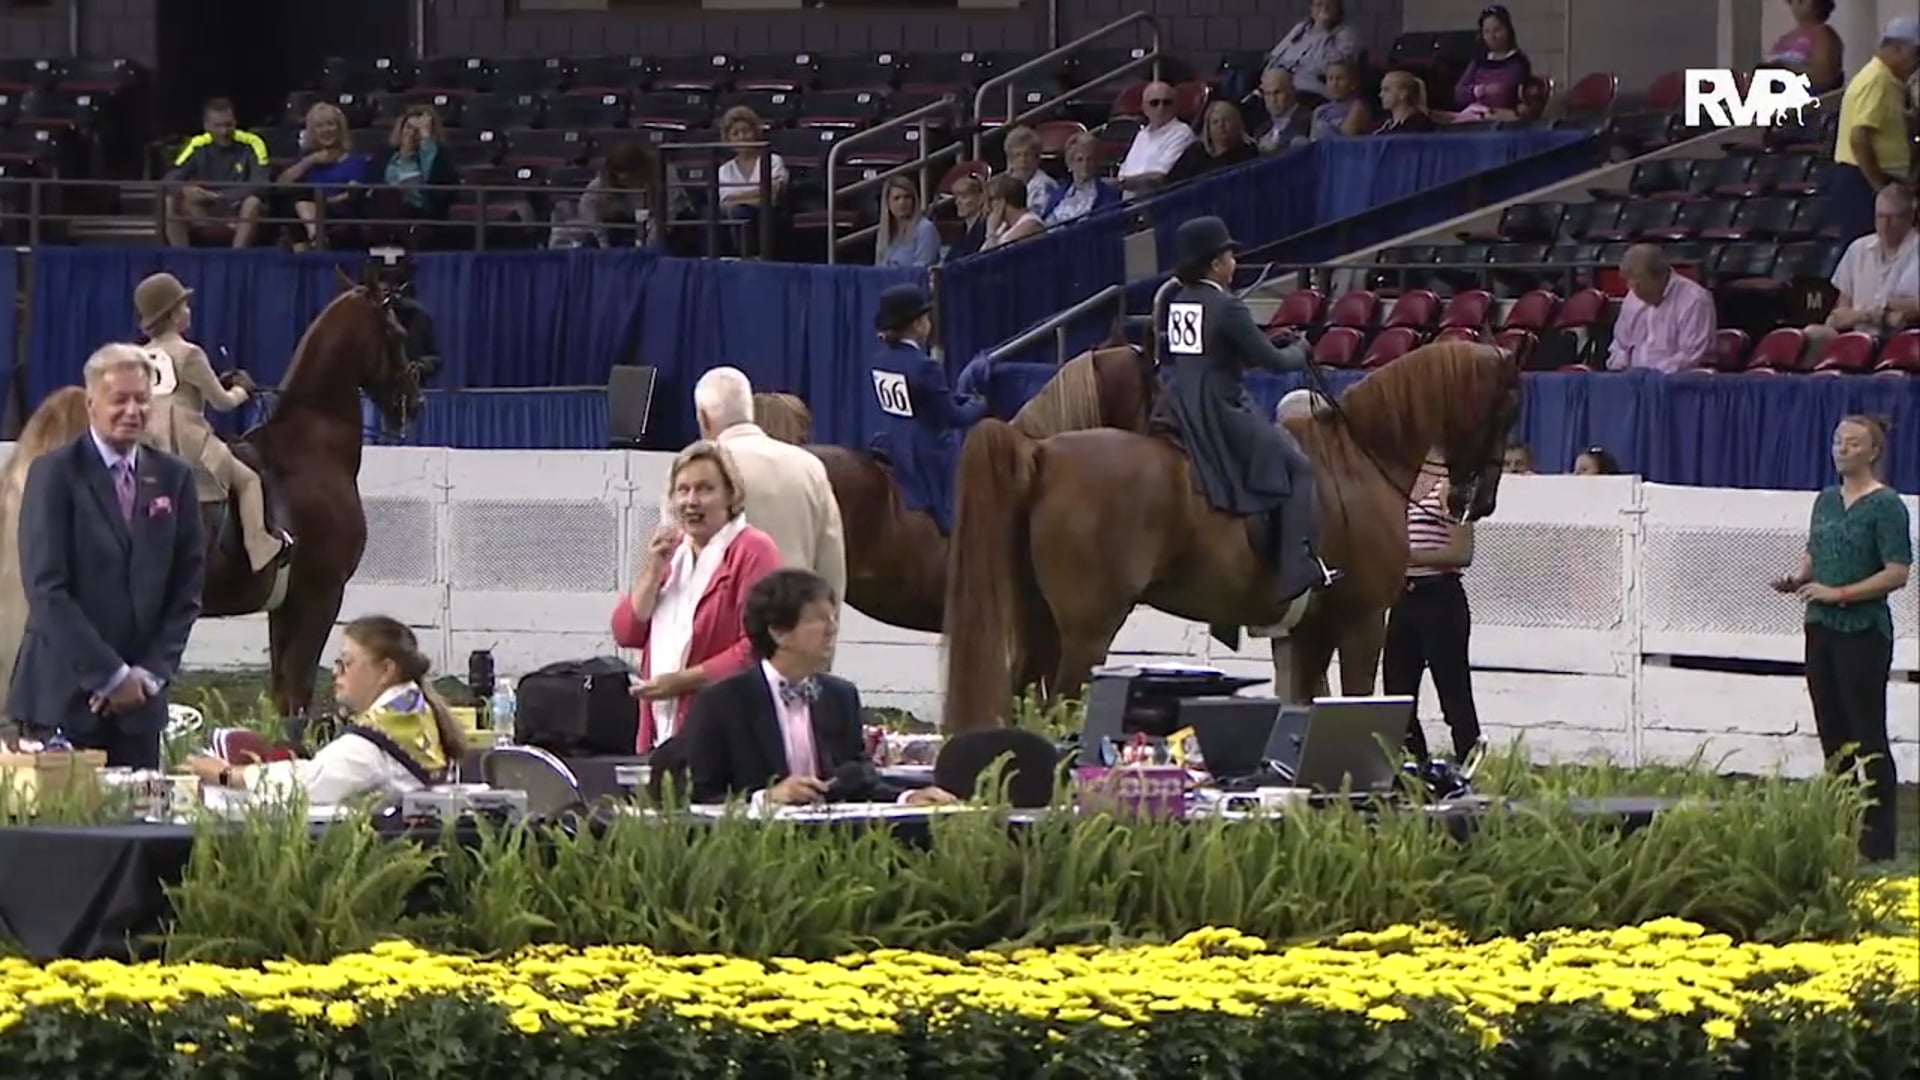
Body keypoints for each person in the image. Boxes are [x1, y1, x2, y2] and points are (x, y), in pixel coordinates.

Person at [6, 344, 205, 767]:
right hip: (62, 702)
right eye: (120, 400)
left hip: (140, 709)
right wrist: (111, 677)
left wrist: (147, 675)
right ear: (91, 404)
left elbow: (186, 591)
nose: (132, 411)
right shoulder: (54, 475)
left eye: (141, 400)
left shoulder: (174, 478)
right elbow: (47, 590)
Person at [1149, 215, 1338, 604]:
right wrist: (1301, 350)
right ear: (1214, 263)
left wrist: (1269, 341)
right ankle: (1295, 565)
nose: (1234, 263)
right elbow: (1274, 363)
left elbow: (1215, 351)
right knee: (1299, 467)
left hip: (1179, 401)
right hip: (1221, 406)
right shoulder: (1227, 305)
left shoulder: (1179, 300)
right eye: (1230, 256)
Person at [685, 568, 959, 808]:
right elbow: (699, 795)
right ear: (779, 632)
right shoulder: (722, 702)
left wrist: (907, 797)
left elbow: (859, 782)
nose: (833, 629)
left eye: (833, 618)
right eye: (818, 619)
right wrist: (766, 798)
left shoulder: (840, 696)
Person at [1770, 415, 1910, 862]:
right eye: (1838, 441)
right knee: (1832, 732)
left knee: (1866, 734)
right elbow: (1816, 551)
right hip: (1820, 625)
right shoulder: (1826, 500)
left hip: (1863, 630)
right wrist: (1799, 579)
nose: (1842, 449)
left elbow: (1897, 572)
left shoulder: (1886, 505)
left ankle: (1877, 842)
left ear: (1873, 451)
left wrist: (1841, 593)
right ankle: (1840, 827)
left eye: (1853, 443)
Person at [183, 615, 465, 804]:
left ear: (385, 671)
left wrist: (227, 774)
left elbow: (309, 783)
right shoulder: (415, 714)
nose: (335, 672)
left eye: (346, 663)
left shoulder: (374, 740)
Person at [611, 441, 782, 752]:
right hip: (660, 731)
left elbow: (756, 647)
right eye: (683, 490)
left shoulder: (754, 550)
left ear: (731, 495)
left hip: (725, 730)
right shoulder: (672, 552)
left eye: (705, 489)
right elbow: (626, 633)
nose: (691, 501)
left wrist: (682, 682)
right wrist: (653, 568)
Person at [134, 272, 291, 572]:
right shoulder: (190, 353)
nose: (188, 310)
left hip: (149, 446)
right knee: (249, 481)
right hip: (189, 445)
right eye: (183, 306)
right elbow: (222, 402)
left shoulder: (139, 356)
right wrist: (242, 389)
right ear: (172, 315)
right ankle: (258, 545)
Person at [692, 366, 847, 613]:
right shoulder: (810, 468)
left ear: (703, 417)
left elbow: (679, 562)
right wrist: (825, 625)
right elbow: (831, 566)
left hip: (724, 621)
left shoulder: (696, 469)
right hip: (795, 620)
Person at [863, 284, 989, 535]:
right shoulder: (926, 367)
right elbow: (953, 417)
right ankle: (952, 531)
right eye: (926, 318)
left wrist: (959, 398)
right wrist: (981, 404)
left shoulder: (879, 361)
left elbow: (925, 400)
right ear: (917, 325)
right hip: (926, 450)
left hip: (892, 439)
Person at [1383, 463, 1482, 761]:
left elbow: (1462, 552)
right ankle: (1414, 764)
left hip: (1439, 594)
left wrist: (1406, 556)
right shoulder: (1401, 485)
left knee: (1453, 692)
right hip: (1404, 594)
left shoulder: (1449, 486)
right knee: (1398, 693)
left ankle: (1468, 760)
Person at [1829, 17, 1919, 242]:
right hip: (1863, 180)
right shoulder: (1877, 81)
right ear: (1897, 48)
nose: (1918, 62)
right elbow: (1859, 138)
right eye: (1916, 53)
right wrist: (1880, 188)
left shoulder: (1890, 82)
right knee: (1871, 248)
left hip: (1875, 178)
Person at [1604, 245, 1715, 374]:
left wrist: (1650, 375)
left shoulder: (1694, 300)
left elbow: (1691, 356)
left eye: (1638, 283)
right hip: (1633, 379)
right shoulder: (1633, 297)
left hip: (1677, 380)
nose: (1632, 289)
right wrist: (1620, 366)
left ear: (1660, 276)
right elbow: (1620, 344)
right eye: (1629, 282)